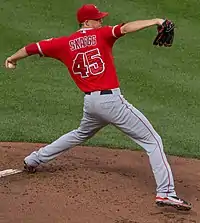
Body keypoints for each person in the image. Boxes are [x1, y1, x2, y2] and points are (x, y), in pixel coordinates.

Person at [4, 4, 191, 211]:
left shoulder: (62, 43)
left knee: (80, 133)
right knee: (153, 141)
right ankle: (166, 193)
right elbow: (127, 28)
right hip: (111, 101)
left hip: (91, 104)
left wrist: (12, 59)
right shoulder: (101, 35)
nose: (101, 22)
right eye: (98, 19)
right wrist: (156, 21)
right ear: (86, 22)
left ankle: (33, 160)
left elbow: (31, 48)